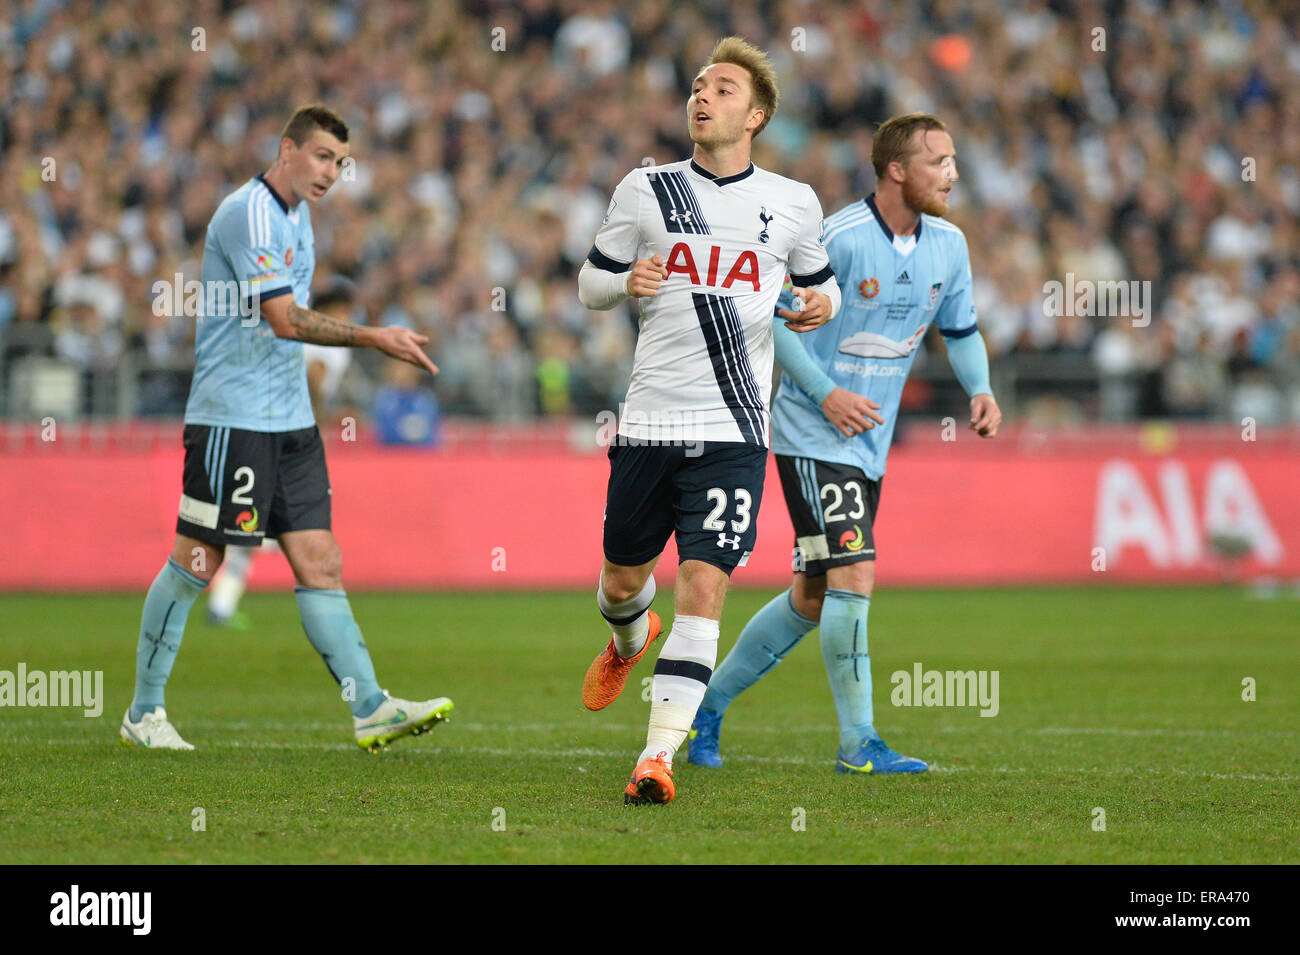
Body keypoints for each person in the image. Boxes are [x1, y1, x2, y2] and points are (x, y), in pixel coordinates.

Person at [122, 105, 453, 752]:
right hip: (233, 417)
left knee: (319, 559)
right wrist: (374, 338)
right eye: (323, 156)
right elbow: (284, 319)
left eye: (340, 162)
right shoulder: (248, 212)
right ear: (288, 148)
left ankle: (371, 706)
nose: (332, 171)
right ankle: (144, 711)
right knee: (198, 559)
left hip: (290, 419)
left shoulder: (299, 215)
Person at [686, 113, 1002, 775]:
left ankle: (705, 704)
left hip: (870, 443)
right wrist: (827, 392)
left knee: (812, 594)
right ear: (896, 170)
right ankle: (859, 741)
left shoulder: (949, 245)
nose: (953, 173)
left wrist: (981, 388)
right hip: (810, 433)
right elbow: (780, 326)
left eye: (951, 160)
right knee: (855, 570)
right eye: (938, 161)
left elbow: (962, 328)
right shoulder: (840, 239)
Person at [576, 37, 841, 805]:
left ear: (754, 114)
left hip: (733, 431)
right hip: (650, 422)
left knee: (703, 582)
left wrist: (823, 303)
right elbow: (590, 283)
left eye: (722, 89)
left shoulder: (793, 201)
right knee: (623, 580)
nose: (702, 97)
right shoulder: (646, 188)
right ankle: (630, 636)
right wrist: (627, 279)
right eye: (697, 85)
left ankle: (655, 756)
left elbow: (823, 291)